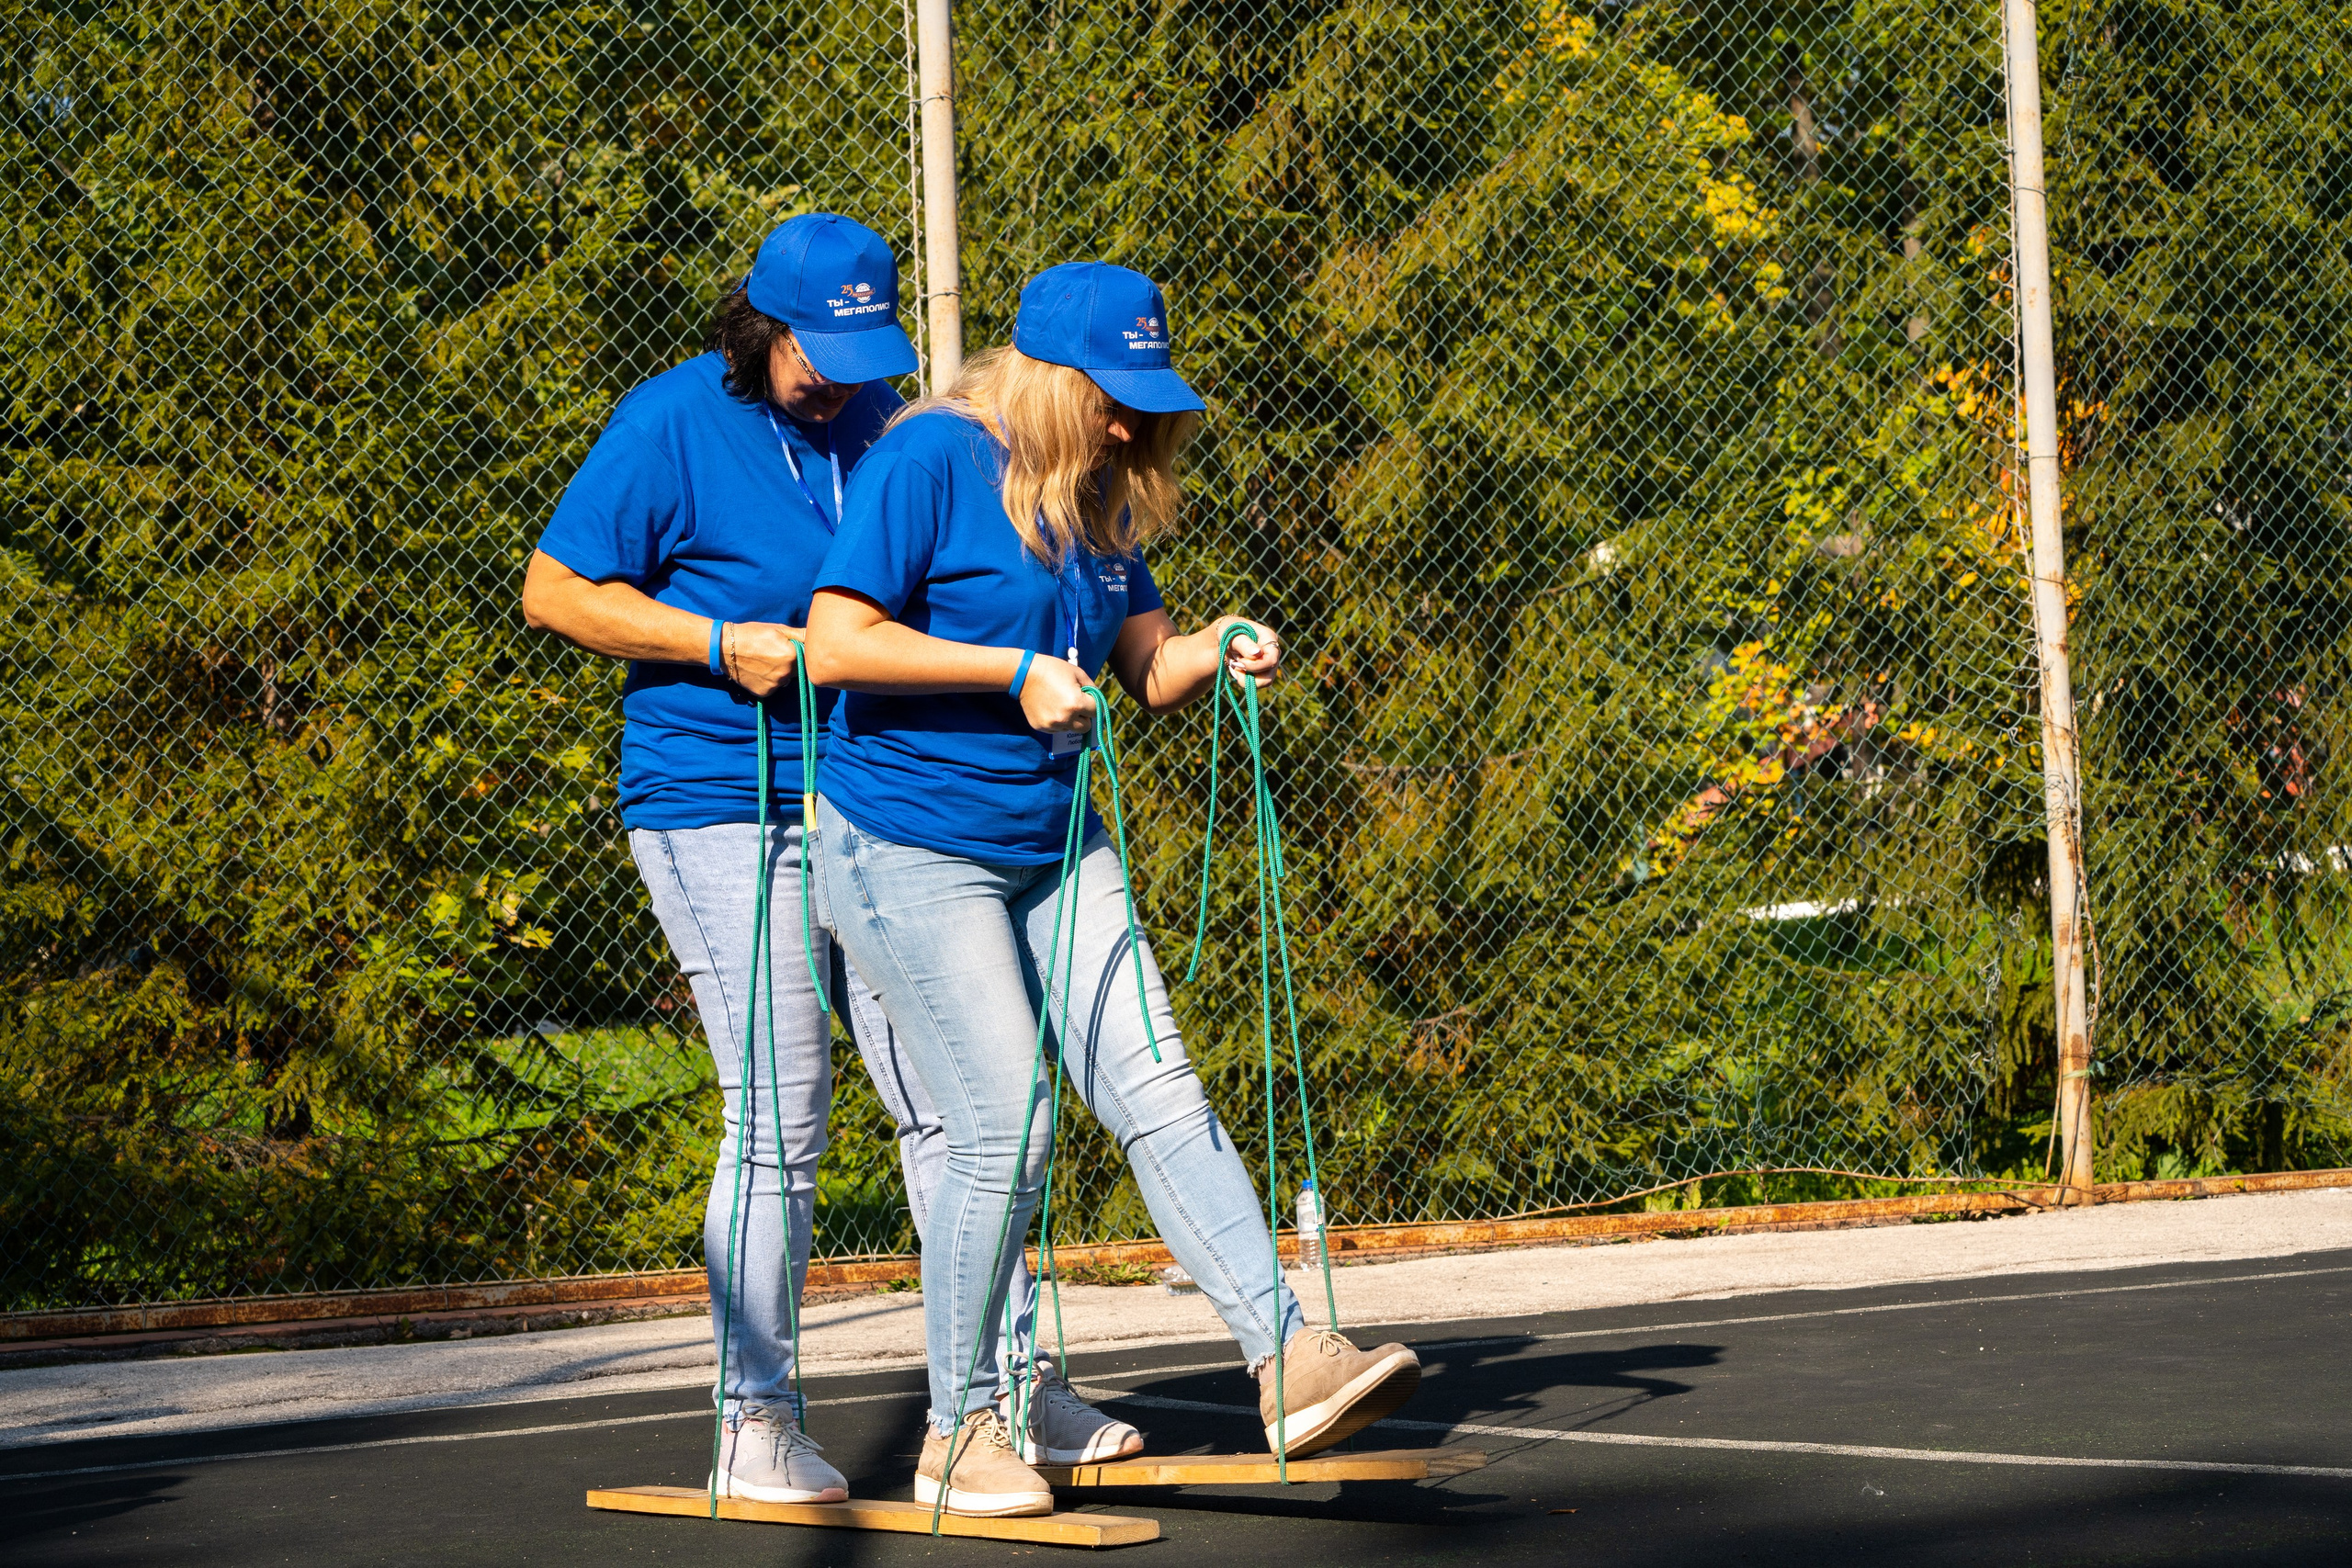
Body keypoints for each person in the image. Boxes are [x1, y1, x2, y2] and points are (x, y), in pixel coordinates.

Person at [520, 216, 1135, 1506]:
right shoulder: (671, 422)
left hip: (880, 807)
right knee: (784, 1111)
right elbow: (558, 591)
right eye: (816, 349)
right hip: (719, 801)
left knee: (964, 1104)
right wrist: (709, 639)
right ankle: (754, 1421)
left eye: (864, 348)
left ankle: (1002, 1393)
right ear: (762, 327)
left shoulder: (896, 430)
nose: (836, 375)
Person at [804, 261, 1423, 1519]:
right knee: (1004, 1127)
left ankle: (1289, 1359)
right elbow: (834, 640)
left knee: (1156, 1082)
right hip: (904, 845)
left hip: (1051, 835)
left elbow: (1142, 663)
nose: (1135, 426)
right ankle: (958, 1430)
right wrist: (1007, 673)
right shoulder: (930, 462)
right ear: (1051, 379)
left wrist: (1219, 646)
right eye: (1116, 398)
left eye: (1148, 402)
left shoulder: (1097, 494)